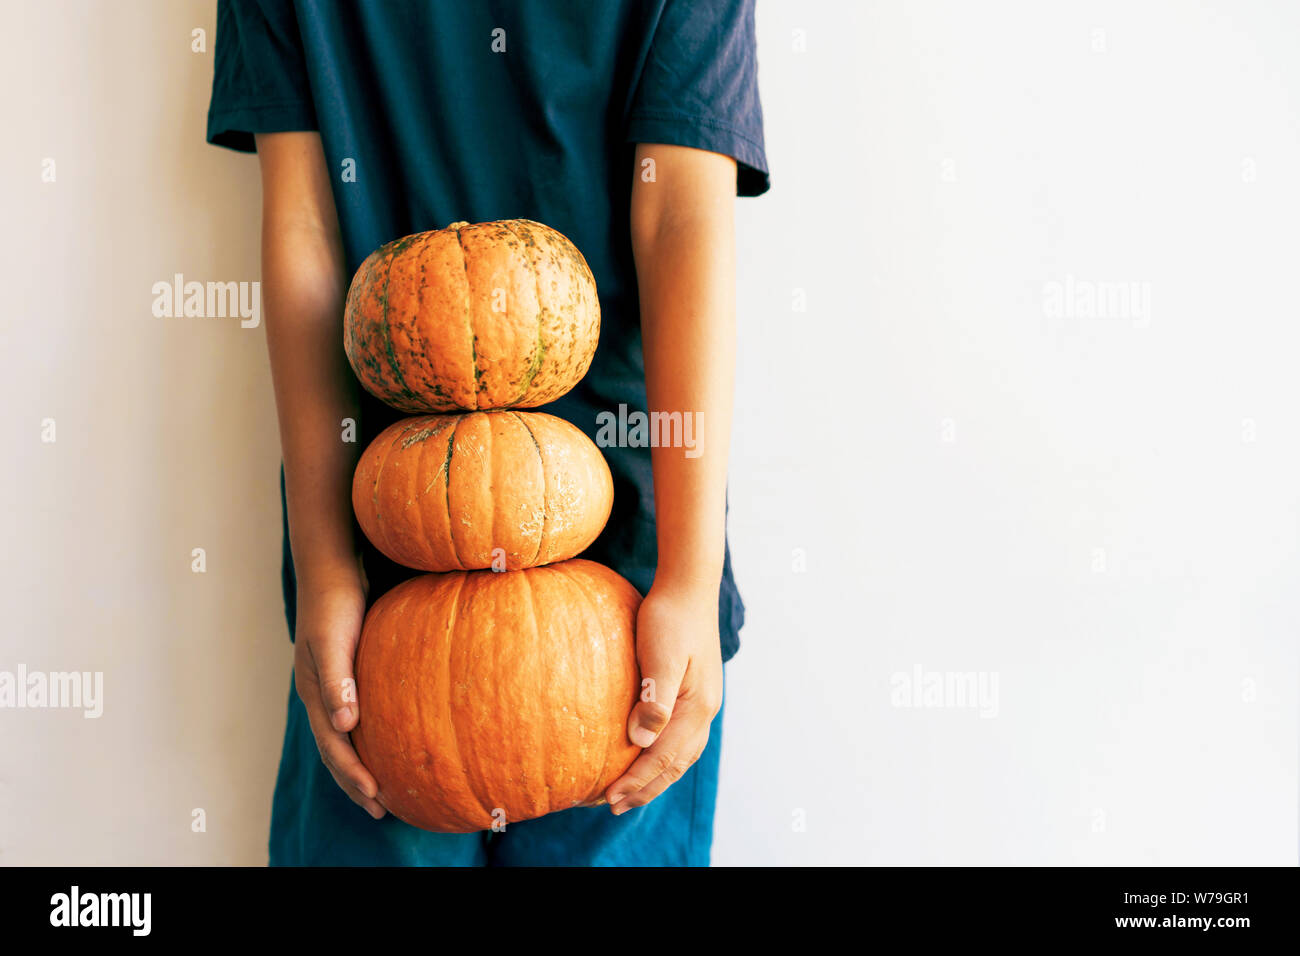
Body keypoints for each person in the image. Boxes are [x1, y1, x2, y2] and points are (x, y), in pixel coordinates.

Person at [207, 0, 769, 866]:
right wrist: (325, 569)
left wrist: (689, 583)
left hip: (616, 595)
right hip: (395, 592)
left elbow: (684, 217)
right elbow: (678, 219)